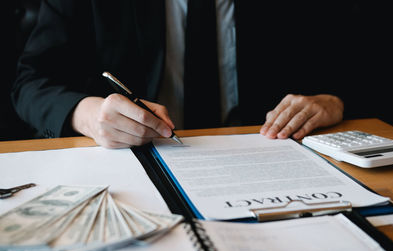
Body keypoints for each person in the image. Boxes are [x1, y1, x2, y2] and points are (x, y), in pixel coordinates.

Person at [12, 1, 347, 149]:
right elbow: (31, 82)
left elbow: (355, 63)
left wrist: (334, 99)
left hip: (264, 159)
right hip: (136, 165)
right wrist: (86, 115)